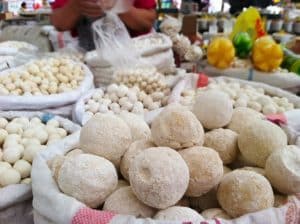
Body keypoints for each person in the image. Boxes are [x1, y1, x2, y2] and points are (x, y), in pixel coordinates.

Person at [50, 0, 157, 51]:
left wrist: (120, 7)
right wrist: (75, 6)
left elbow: (147, 22)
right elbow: (59, 24)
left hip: (134, 58)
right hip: (87, 58)